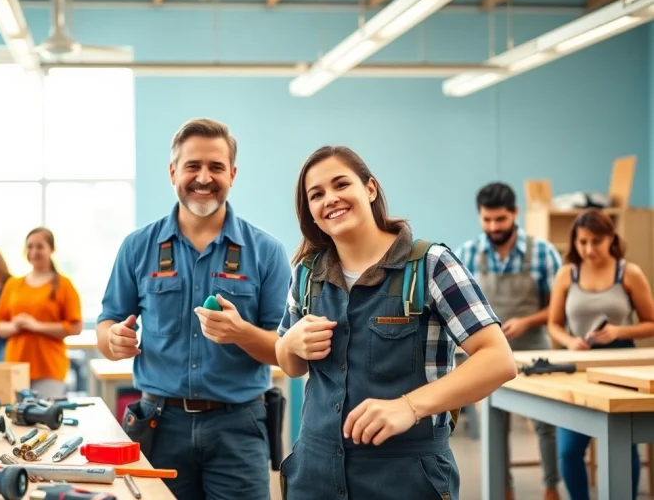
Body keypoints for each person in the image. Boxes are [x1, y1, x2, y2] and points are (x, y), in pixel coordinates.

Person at [275, 146, 517, 499]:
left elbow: (498, 360)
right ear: (310, 210)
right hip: (314, 474)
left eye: (341, 184)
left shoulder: (431, 264)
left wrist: (410, 406)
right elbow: (291, 366)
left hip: (407, 476)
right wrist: (289, 344)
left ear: (370, 189)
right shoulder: (307, 273)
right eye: (317, 194)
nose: (331, 199)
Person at [96, 118, 291, 500]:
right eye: (192, 166)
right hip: (158, 426)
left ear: (232, 174)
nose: (204, 177)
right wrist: (112, 340)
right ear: (173, 172)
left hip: (239, 427)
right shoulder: (138, 247)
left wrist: (241, 333)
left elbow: (284, 352)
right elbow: (106, 325)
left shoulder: (266, 252)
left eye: (216, 167)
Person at [455, 182, 563, 500]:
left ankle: (551, 487)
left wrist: (527, 321)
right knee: (495, 425)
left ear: (515, 213)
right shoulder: (467, 255)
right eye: (487, 220)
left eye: (500, 220)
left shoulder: (543, 253)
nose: (493, 227)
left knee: (546, 423)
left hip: (535, 350)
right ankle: (503, 490)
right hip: (488, 355)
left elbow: (557, 311)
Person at [547, 209, 654, 500]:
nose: (589, 249)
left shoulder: (628, 272)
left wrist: (619, 332)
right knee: (568, 451)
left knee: (623, 443)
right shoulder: (566, 274)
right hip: (577, 365)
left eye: (596, 241)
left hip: (622, 366)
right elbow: (554, 324)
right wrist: (569, 341)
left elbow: (651, 323)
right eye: (582, 242)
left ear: (611, 239)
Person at [0, 227, 82, 399]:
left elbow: (75, 327)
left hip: (49, 368)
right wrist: (15, 326)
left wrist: (37, 326)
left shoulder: (64, 285)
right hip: (15, 367)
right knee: (15, 421)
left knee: (45, 420)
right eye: (30, 246)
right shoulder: (13, 284)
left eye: (40, 247)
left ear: (51, 249)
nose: (34, 252)